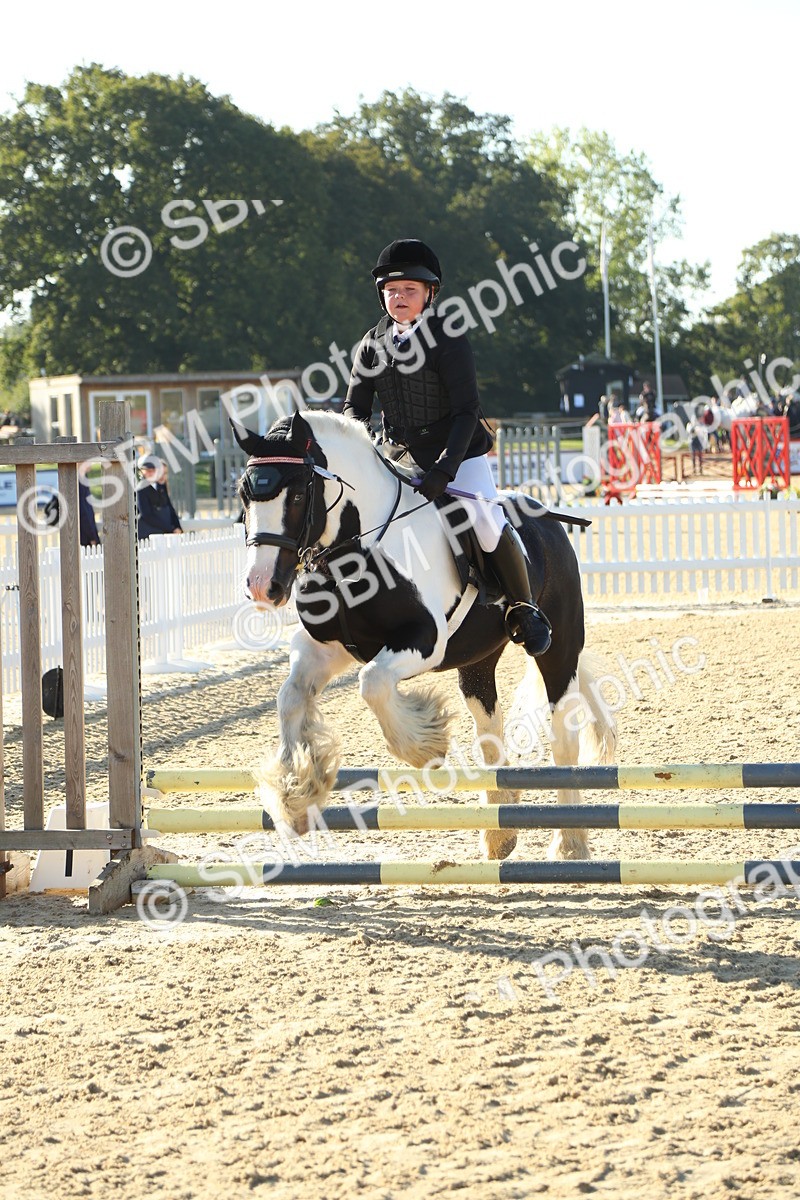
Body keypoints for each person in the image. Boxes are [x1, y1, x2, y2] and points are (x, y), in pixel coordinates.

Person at [343, 238, 551, 656]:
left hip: (459, 454)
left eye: (409, 290)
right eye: (391, 290)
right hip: (398, 457)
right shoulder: (371, 344)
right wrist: (359, 455)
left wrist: (444, 469)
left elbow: (466, 411)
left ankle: (523, 607)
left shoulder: (448, 338)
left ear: (429, 293)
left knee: (485, 520)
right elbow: (355, 409)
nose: (399, 297)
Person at [136, 459, 183, 540]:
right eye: (148, 471)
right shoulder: (141, 488)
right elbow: (147, 515)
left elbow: (170, 509)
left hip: (162, 533)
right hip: (147, 535)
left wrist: (178, 528)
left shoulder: (161, 486)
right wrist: (171, 529)